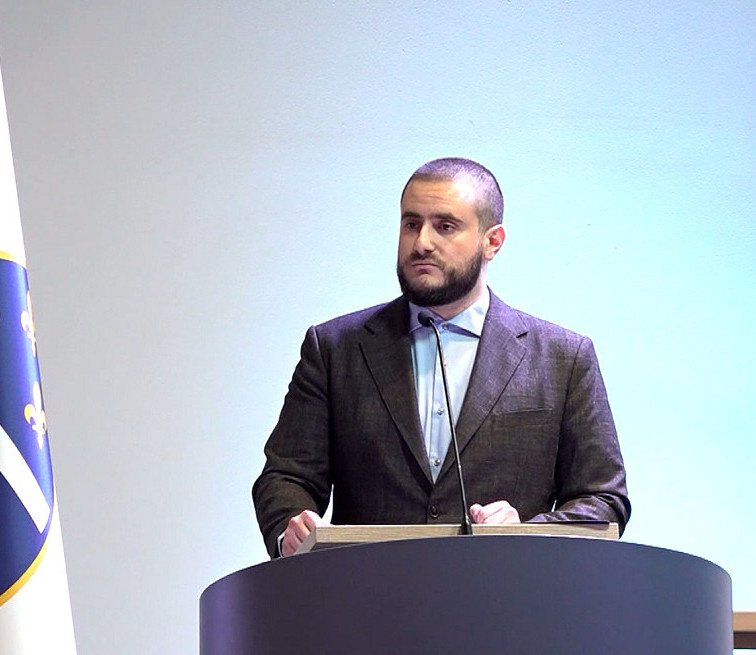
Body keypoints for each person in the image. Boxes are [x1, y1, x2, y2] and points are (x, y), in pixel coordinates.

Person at [253, 157, 630, 557]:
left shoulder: (563, 358)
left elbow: (603, 500)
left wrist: (526, 531)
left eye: (445, 226)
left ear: (492, 241)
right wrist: (291, 529)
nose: (422, 243)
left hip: (506, 590)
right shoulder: (334, 348)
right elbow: (285, 477)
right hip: (368, 591)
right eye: (411, 224)